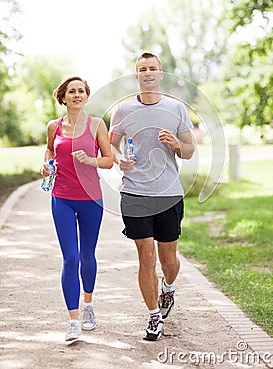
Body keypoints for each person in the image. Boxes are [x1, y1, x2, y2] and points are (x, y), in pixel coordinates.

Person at [110, 52, 195, 341]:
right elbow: (112, 148)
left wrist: (176, 143)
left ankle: (168, 290)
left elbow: (190, 150)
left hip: (169, 194)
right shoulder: (122, 111)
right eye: (142, 69)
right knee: (146, 258)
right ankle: (153, 318)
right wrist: (120, 159)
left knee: (168, 261)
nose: (148, 72)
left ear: (160, 75)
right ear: (137, 76)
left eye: (153, 68)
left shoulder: (176, 109)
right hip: (134, 192)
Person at [40, 76, 113, 341]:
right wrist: (46, 164)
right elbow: (49, 151)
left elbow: (109, 161)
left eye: (81, 91)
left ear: (86, 95)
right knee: (70, 258)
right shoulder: (53, 126)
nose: (77, 95)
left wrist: (91, 160)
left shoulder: (96, 125)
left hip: (92, 199)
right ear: (63, 96)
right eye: (72, 91)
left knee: (86, 256)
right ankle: (73, 321)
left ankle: (89, 306)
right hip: (62, 198)